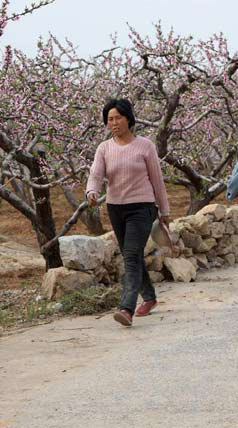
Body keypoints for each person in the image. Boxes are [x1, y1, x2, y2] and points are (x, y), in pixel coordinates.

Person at [86, 98, 170, 326]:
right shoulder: (104, 148)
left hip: (142, 207)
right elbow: (96, 174)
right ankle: (150, 297)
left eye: (118, 118)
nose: (114, 123)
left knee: (132, 254)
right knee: (130, 255)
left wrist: (164, 210)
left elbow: (157, 180)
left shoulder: (145, 146)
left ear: (128, 119)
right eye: (109, 119)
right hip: (116, 208)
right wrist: (91, 191)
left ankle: (126, 308)